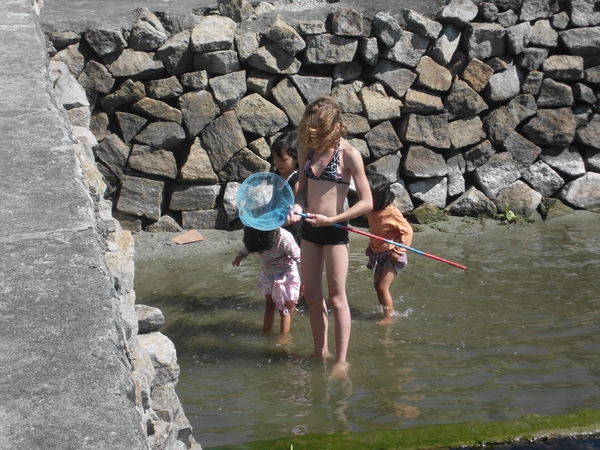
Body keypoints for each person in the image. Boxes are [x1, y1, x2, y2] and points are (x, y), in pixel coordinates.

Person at [287, 96, 373, 377]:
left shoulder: (349, 154)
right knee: (312, 296)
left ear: (337, 127)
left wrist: (333, 219)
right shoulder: (306, 148)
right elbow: (302, 190)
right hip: (309, 230)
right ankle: (320, 353)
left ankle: (341, 362)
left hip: (335, 231)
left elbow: (367, 202)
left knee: (337, 299)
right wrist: (297, 207)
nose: (316, 140)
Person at [232, 226, 301, 338]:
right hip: (268, 274)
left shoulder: (284, 237)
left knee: (283, 309)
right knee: (269, 305)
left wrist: (306, 281)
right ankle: (266, 333)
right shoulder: (255, 234)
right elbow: (249, 246)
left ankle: (284, 338)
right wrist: (240, 256)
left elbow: (300, 258)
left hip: (284, 275)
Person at [365, 172, 414, 325]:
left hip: (392, 254)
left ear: (379, 197)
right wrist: (370, 246)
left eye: (368, 195)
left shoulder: (391, 212)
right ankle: (385, 310)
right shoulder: (370, 211)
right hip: (377, 252)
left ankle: (389, 318)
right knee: (377, 285)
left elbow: (408, 231)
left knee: (382, 286)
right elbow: (376, 231)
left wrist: (399, 250)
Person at [271, 131, 301, 245]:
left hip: (293, 231)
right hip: (279, 226)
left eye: (283, 159)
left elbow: (298, 211)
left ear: (296, 158)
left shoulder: (296, 180)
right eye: (275, 158)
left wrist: (276, 225)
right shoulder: (277, 175)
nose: (278, 163)